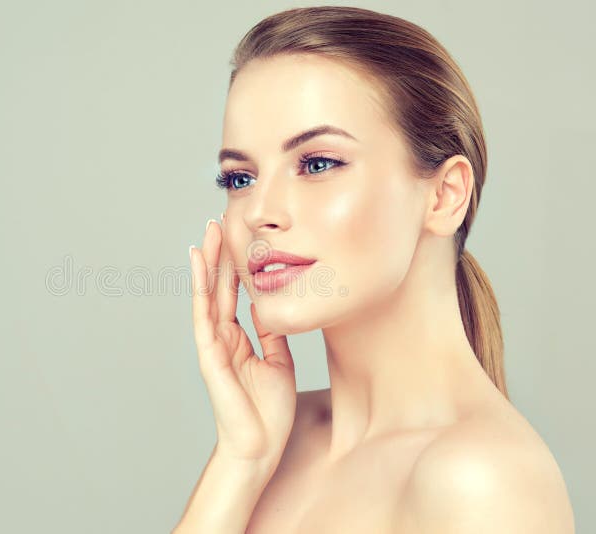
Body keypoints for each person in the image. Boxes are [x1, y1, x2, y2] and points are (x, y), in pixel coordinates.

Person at [173, 6, 575, 534]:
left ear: (444, 195)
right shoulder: (270, 441)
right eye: (240, 178)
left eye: (318, 164)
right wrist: (239, 460)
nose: (259, 212)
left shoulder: (481, 480)